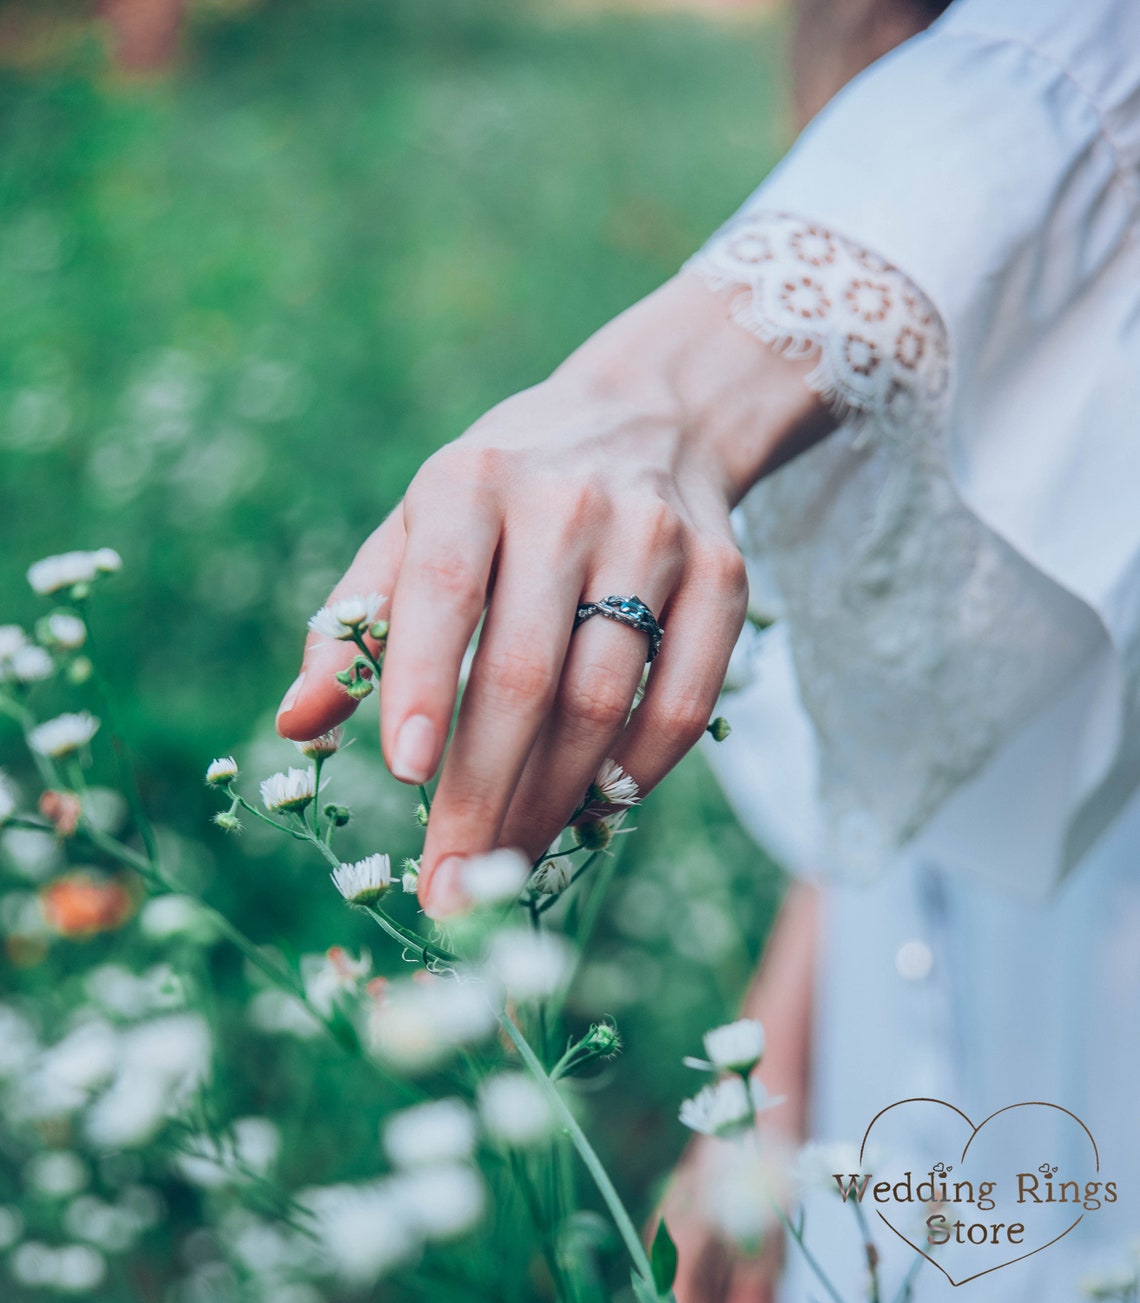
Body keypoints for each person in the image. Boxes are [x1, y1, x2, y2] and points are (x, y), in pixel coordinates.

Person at [278, 0, 1140, 1295]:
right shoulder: (871, 53)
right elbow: (890, 752)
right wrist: (761, 1093)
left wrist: (647, 406)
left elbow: (1069, 90)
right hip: (868, 1035)